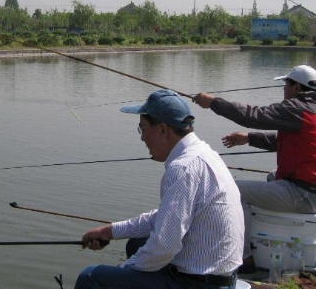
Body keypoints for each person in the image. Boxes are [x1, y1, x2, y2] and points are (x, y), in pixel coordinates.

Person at [75, 89, 245, 289]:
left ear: (163, 130)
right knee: (137, 242)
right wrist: (110, 231)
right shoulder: (205, 154)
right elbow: (165, 218)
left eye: (143, 129)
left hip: (197, 284)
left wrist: (124, 269)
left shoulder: (182, 168)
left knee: (90, 276)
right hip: (223, 279)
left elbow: (164, 247)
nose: (142, 138)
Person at [192, 65, 316, 271]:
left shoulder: (296, 108)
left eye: (286, 85)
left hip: (307, 194)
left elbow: (253, 115)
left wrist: (214, 103)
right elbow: (285, 141)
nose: (284, 90)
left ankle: (243, 258)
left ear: (296, 87)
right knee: (272, 177)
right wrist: (248, 138)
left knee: (231, 190)